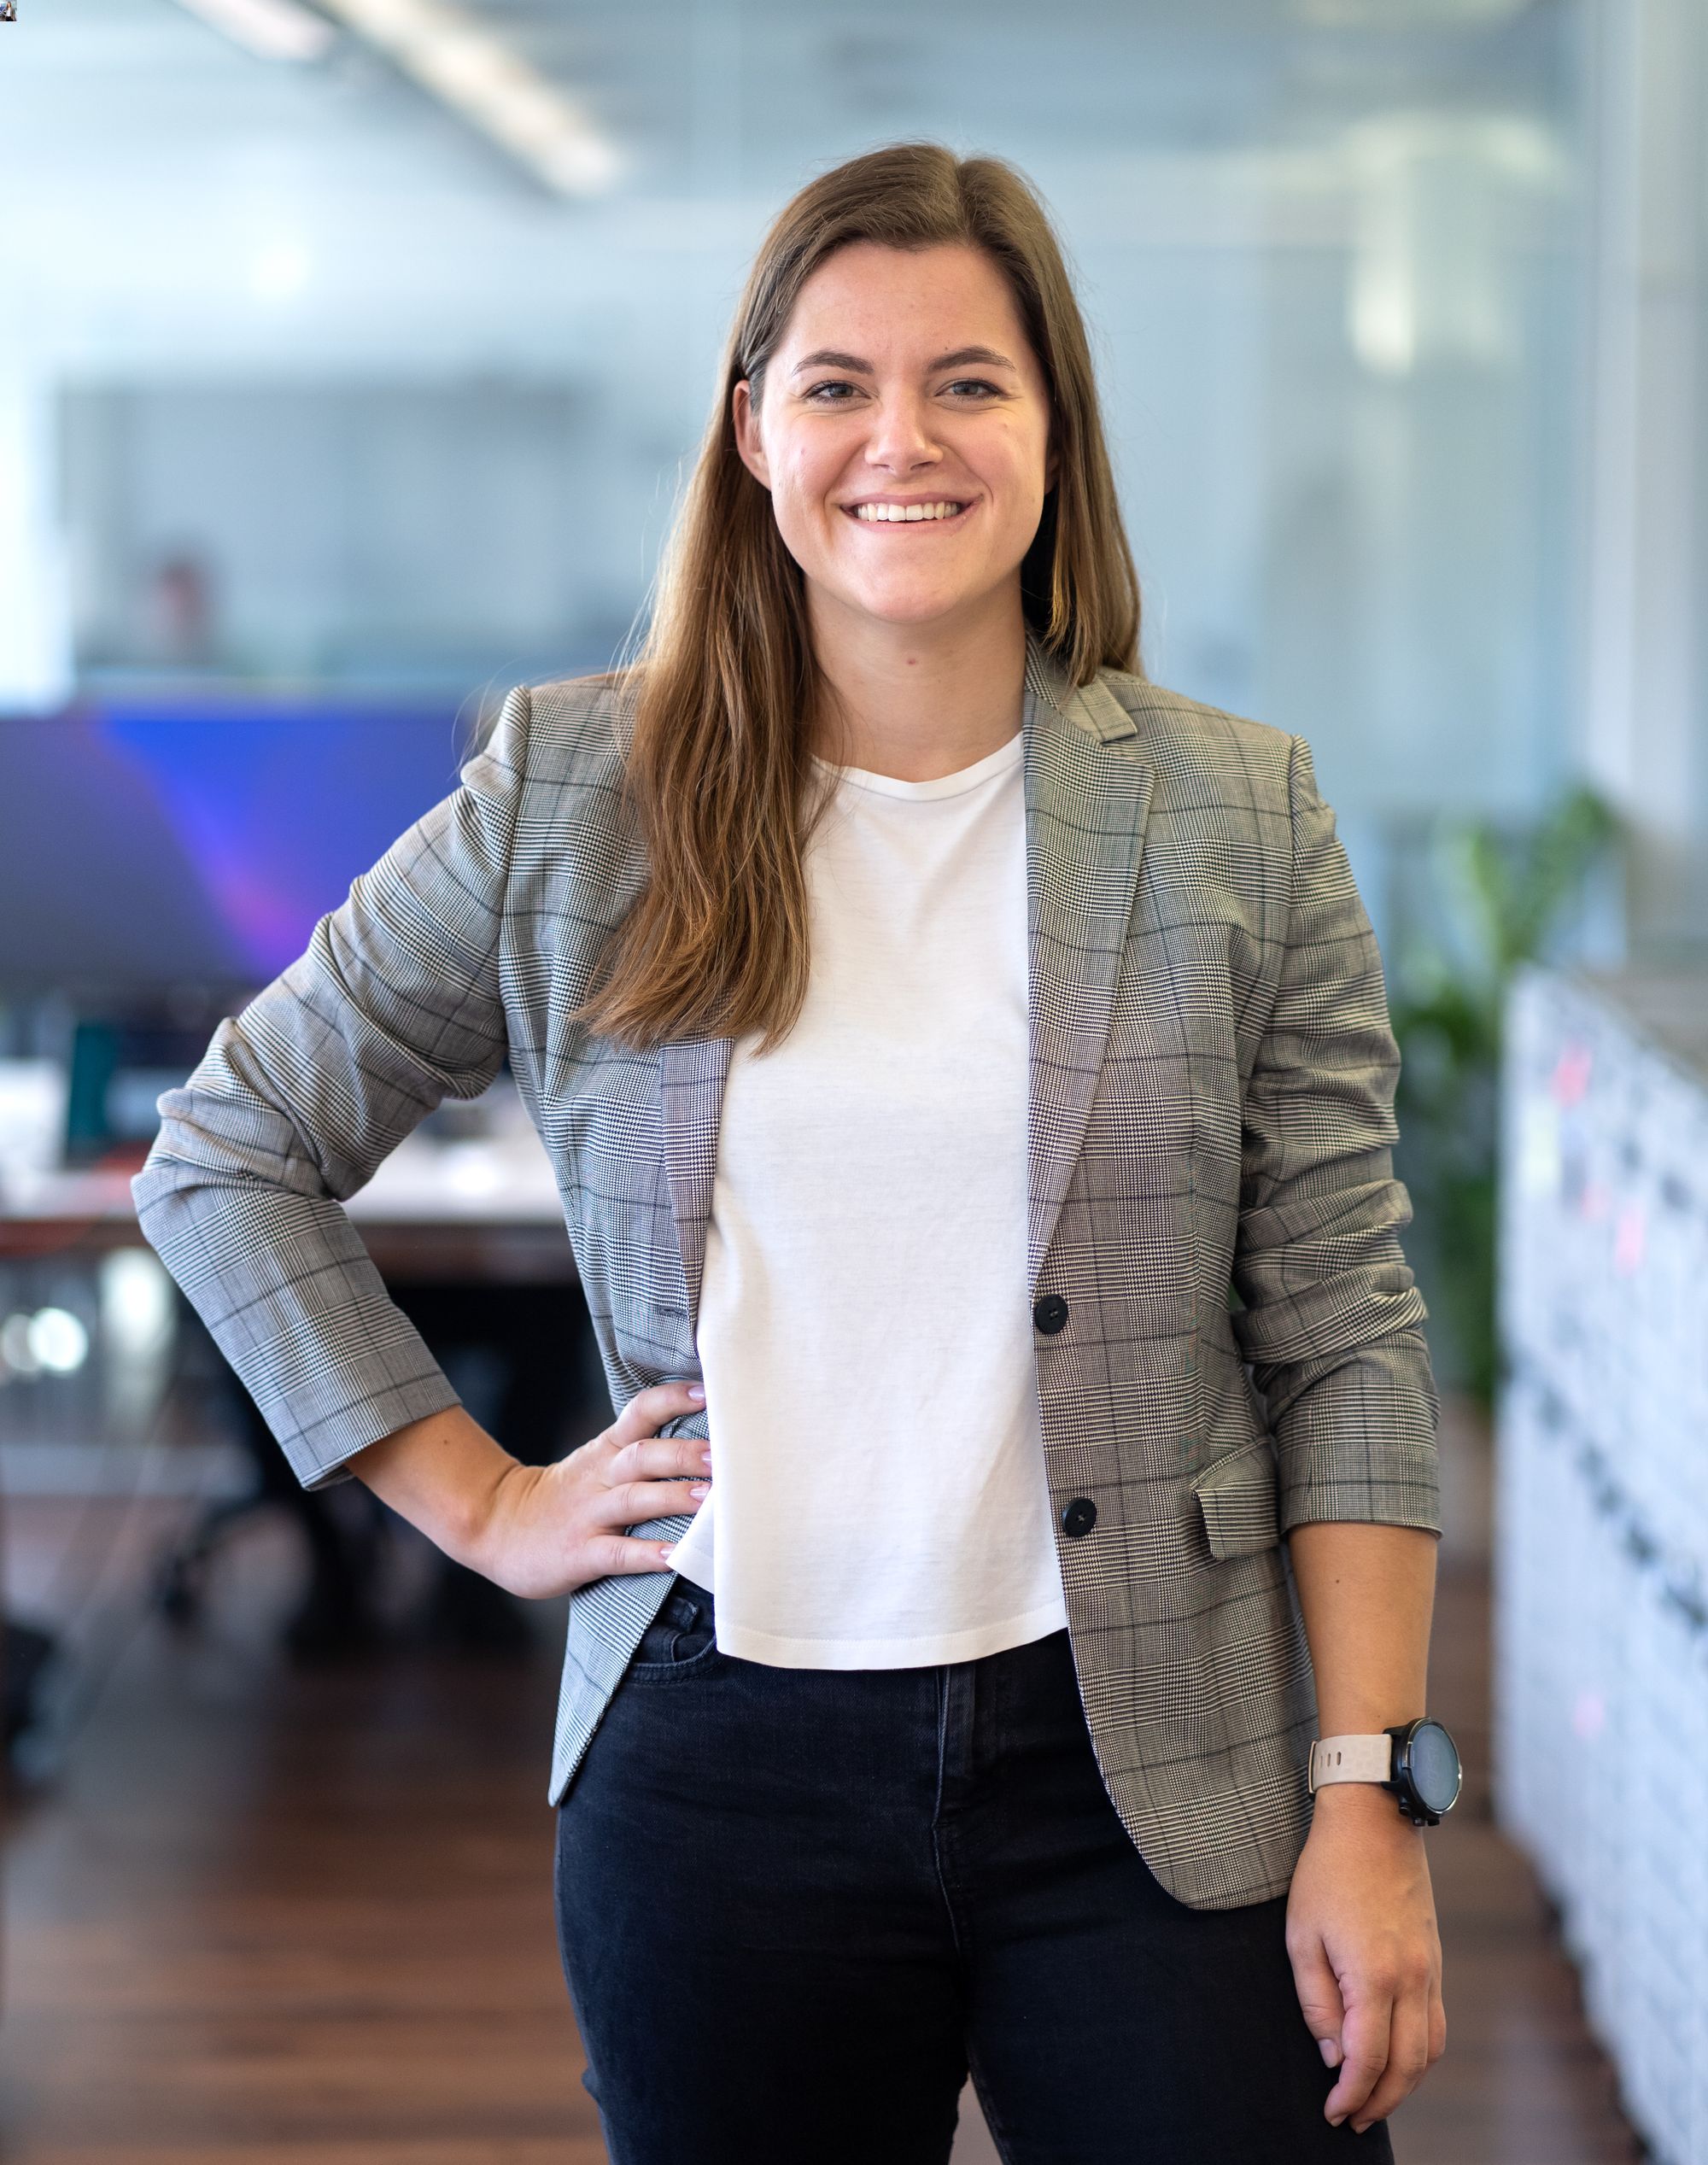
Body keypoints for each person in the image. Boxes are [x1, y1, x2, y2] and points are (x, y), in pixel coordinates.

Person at [134, 142, 1449, 2165]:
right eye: (833, 382)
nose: (895, 440)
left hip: (1158, 1766)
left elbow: (1344, 1327)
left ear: (1050, 429)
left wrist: (1364, 1784)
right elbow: (225, 1149)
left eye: (967, 383)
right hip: (722, 1762)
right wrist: (478, 1500)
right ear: (749, 431)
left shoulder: (1233, 813)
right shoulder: (580, 789)